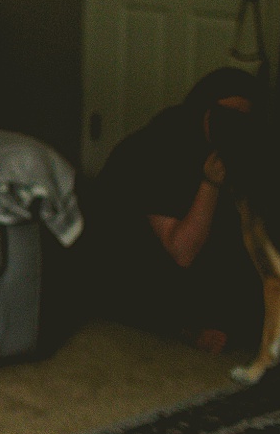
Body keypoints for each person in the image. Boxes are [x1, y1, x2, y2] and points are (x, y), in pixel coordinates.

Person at [80, 67, 266, 352]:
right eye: (225, 118)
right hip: (124, 261)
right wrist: (210, 183)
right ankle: (182, 327)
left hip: (181, 250)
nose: (233, 128)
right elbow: (182, 251)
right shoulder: (159, 148)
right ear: (203, 110)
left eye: (243, 121)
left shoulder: (232, 144)